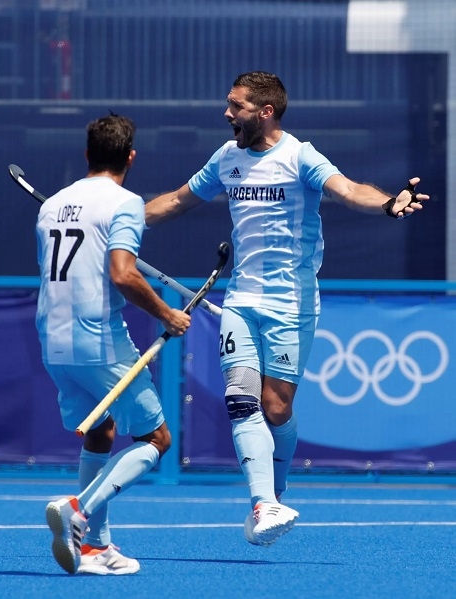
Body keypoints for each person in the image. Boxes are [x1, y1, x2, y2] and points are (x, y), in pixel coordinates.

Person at [144, 71, 428, 547]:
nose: (227, 113)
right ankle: (264, 503)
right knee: (241, 399)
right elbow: (175, 200)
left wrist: (387, 204)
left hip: (291, 303)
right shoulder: (226, 158)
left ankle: (276, 487)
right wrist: (119, 219)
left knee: (276, 408)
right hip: (240, 299)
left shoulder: (300, 156)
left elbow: (349, 190)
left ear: (265, 111)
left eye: (236, 106)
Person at [39, 114, 191, 575]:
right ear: (131, 157)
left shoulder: (52, 205)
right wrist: (166, 314)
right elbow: (123, 274)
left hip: (51, 337)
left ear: (87, 154)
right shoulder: (126, 203)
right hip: (97, 338)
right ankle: (79, 509)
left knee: (101, 430)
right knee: (156, 439)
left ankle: (94, 548)